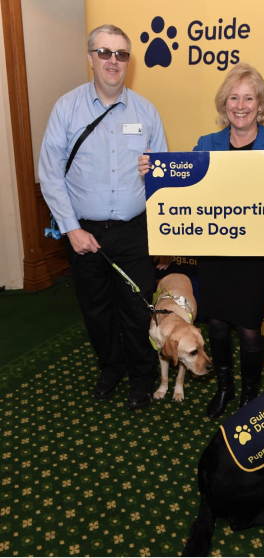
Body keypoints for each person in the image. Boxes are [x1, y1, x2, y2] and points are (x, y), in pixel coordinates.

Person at [139, 62, 264, 418]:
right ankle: (225, 388)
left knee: (249, 331)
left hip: (253, 256)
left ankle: (248, 397)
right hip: (215, 253)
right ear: (223, 103)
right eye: (233, 97)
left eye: (248, 98)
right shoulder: (205, 144)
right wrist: (154, 174)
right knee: (216, 325)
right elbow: (186, 195)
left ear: (260, 105)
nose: (240, 105)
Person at [39, 24, 169, 410]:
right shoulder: (66, 108)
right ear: (91, 58)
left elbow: (165, 179)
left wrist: (154, 172)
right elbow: (49, 173)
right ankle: (110, 368)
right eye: (105, 53)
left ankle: (143, 377)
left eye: (122, 54)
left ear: (128, 61)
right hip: (84, 233)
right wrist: (72, 229)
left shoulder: (146, 111)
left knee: (136, 308)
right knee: (96, 311)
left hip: (134, 231)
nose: (114, 61)